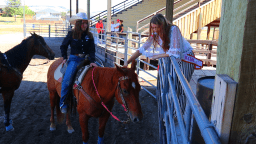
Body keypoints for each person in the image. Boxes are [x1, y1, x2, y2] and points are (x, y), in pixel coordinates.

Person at [124, 14, 195, 111]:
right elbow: (142, 49)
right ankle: (174, 110)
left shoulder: (174, 30)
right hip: (175, 60)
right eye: (152, 27)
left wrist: (158, 56)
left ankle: (179, 114)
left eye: (156, 27)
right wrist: (127, 61)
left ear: (162, 25)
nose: (154, 30)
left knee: (181, 86)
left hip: (186, 58)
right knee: (174, 86)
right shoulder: (156, 34)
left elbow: (176, 51)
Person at [59, 12, 98, 114]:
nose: (85, 25)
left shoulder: (89, 35)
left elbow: (92, 50)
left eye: (86, 23)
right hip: (74, 60)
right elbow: (63, 46)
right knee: (67, 80)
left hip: (86, 60)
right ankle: (63, 103)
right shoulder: (71, 34)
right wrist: (64, 57)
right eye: (83, 23)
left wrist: (93, 61)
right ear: (78, 24)